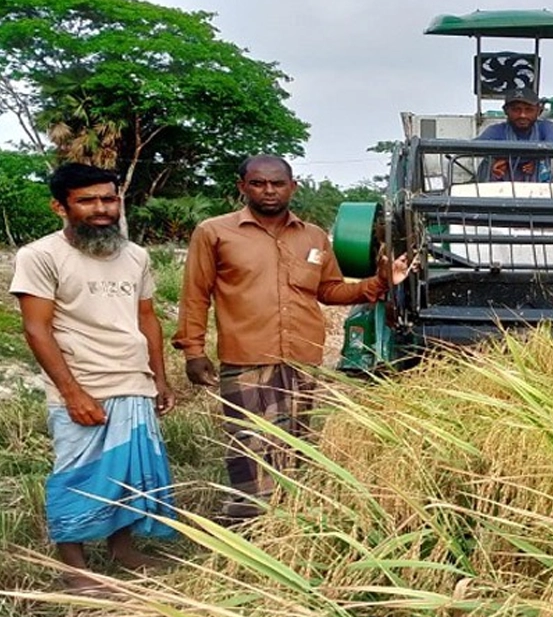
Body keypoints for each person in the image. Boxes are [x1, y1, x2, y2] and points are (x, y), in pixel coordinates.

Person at [172, 155, 411, 521]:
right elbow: (195, 294)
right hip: (247, 356)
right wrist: (193, 349)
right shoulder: (214, 232)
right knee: (248, 442)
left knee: (294, 441)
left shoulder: (313, 236)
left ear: (292, 187)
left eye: (277, 183)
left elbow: (329, 290)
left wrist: (380, 282)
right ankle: (246, 521)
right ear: (242, 187)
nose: (269, 191)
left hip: (301, 359)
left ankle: (285, 520)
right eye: (258, 183)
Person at [9, 163, 177, 592]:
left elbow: (147, 318)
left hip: (133, 382)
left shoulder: (135, 255)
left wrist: (159, 378)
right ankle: (75, 569)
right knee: (77, 474)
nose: (101, 209)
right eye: (87, 200)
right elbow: (36, 329)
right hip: (83, 386)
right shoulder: (40, 256)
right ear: (59, 206)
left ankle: (122, 551)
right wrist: (72, 392)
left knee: (127, 474)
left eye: (109, 198)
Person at [476, 86, 553, 182]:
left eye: (529, 110)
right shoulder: (497, 130)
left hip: (539, 193)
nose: (522, 115)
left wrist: (536, 161)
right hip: (502, 192)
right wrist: (494, 162)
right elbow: (472, 148)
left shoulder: (545, 127)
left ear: (538, 111)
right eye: (516, 110)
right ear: (506, 111)